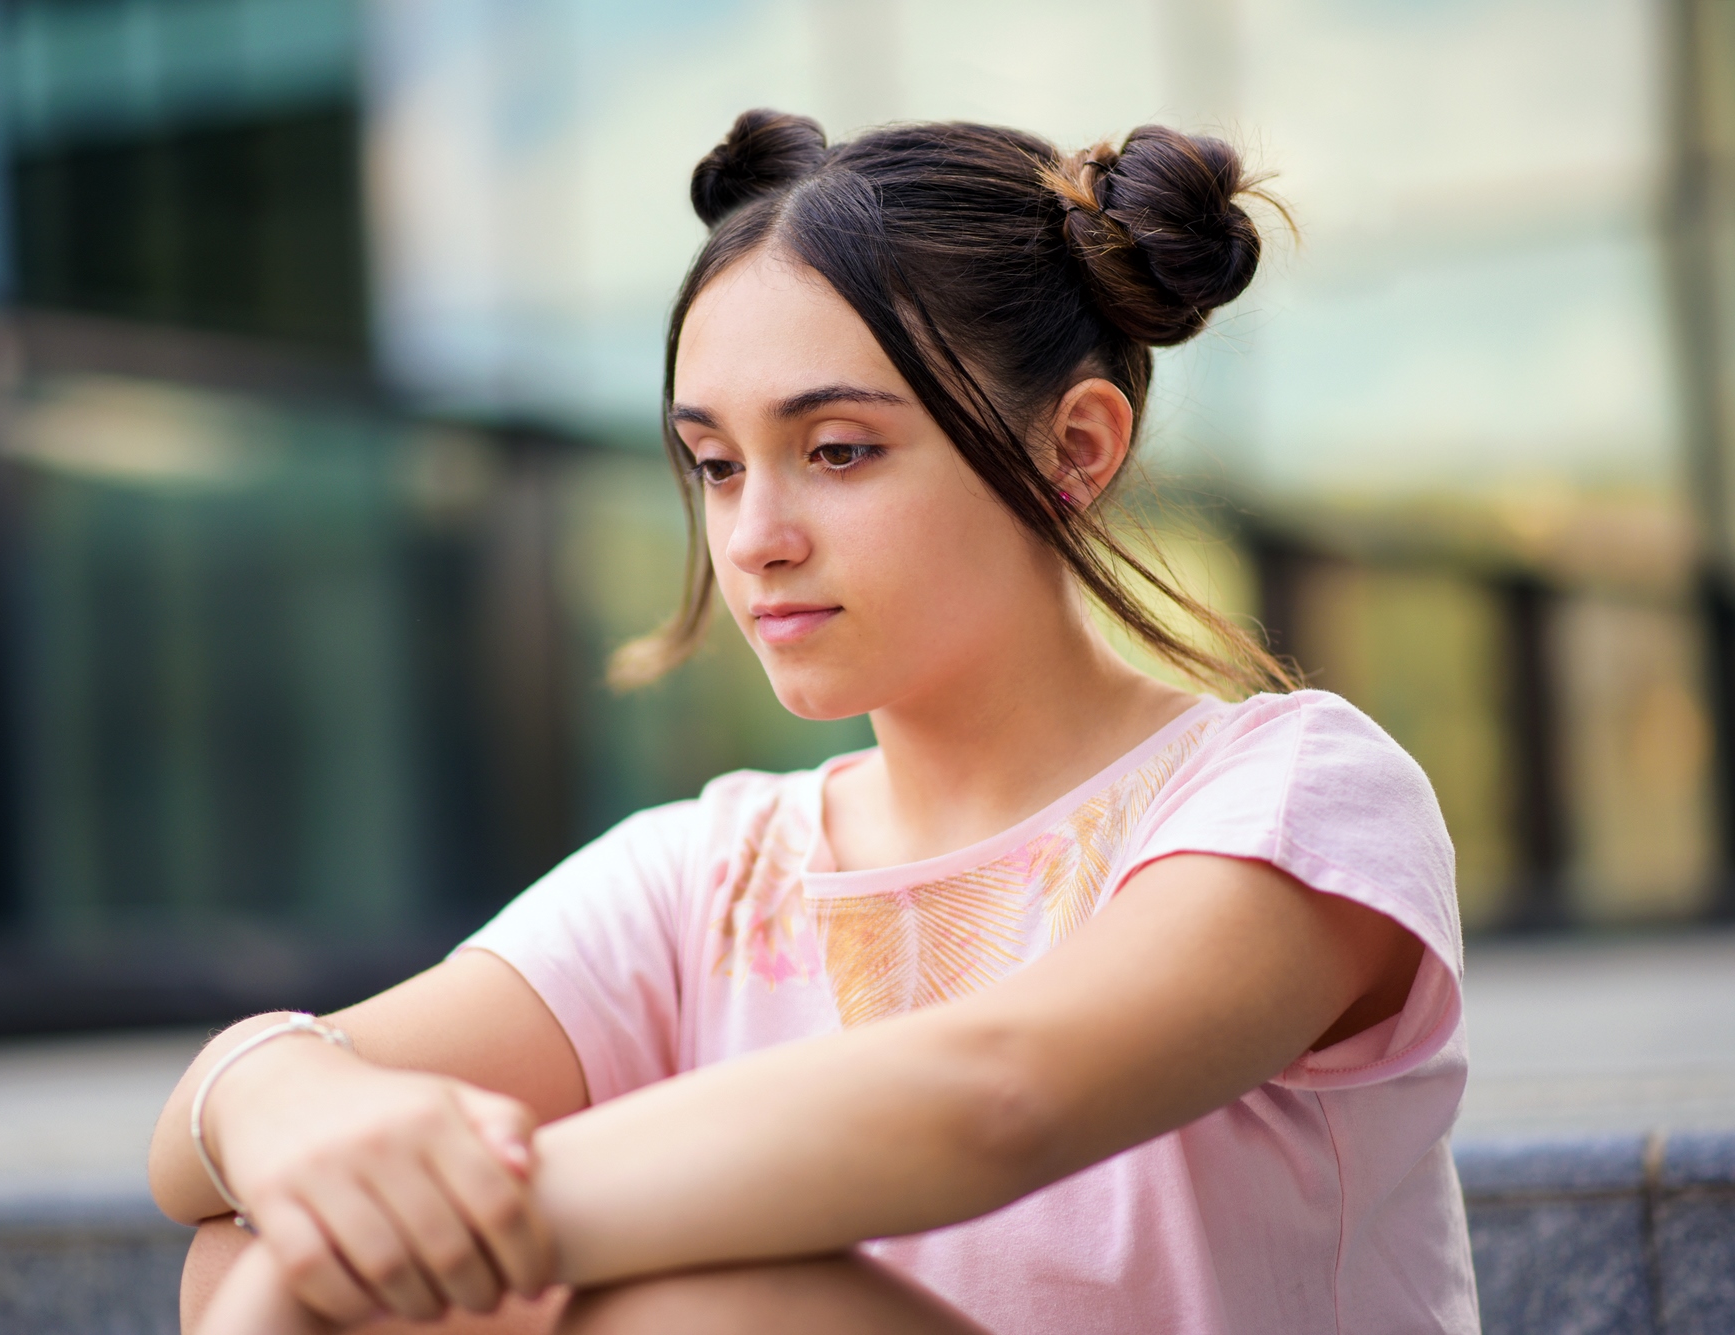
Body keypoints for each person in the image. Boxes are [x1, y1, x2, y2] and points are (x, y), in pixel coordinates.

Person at [149, 109, 1479, 1335]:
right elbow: (198, 1159)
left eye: (838, 450)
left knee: (679, 1312)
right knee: (282, 1247)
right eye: (715, 466)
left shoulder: (1297, 792)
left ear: (1076, 447)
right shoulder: (708, 875)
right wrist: (278, 1103)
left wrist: (349, 1247)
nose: (755, 539)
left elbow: (992, 1100)